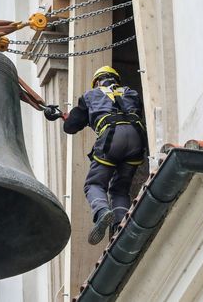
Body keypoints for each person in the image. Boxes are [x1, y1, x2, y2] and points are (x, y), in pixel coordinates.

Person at [44, 66, 146, 245]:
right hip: (137, 138)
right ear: (116, 80)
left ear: (97, 81)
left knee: (94, 183)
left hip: (112, 138)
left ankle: (102, 211)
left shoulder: (90, 95)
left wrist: (71, 116)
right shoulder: (131, 93)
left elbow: (71, 127)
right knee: (120, 189)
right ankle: (120, 224)